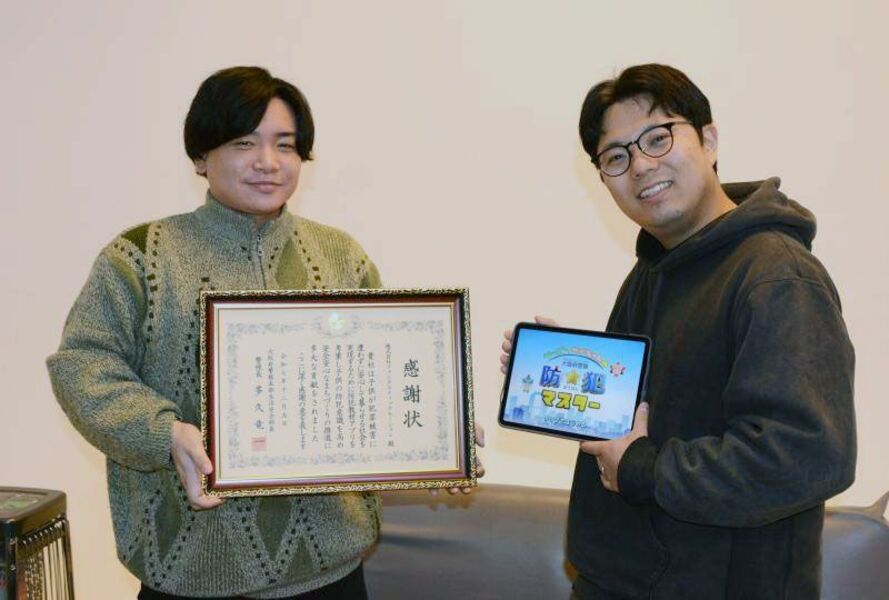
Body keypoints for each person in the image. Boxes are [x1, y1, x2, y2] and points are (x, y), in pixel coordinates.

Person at [500, 64, 855, 599]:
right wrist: (562, 375)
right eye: (616, 157)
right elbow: (652, 414)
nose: (641, 165)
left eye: (657, 138)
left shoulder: (776, 276)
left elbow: (805, 457)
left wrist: (643, 469)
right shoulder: (653, 272)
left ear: (708, 140)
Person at [48, 66, 384, 599]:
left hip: (331, 568)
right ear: (201, 156)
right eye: (244, 142)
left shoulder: (342, 256)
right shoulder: (141, 257)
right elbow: (83, 366)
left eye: (286, 145)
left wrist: (438, 436)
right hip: (188, 571)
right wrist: (164, 432)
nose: (268, 162)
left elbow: (376, 376)